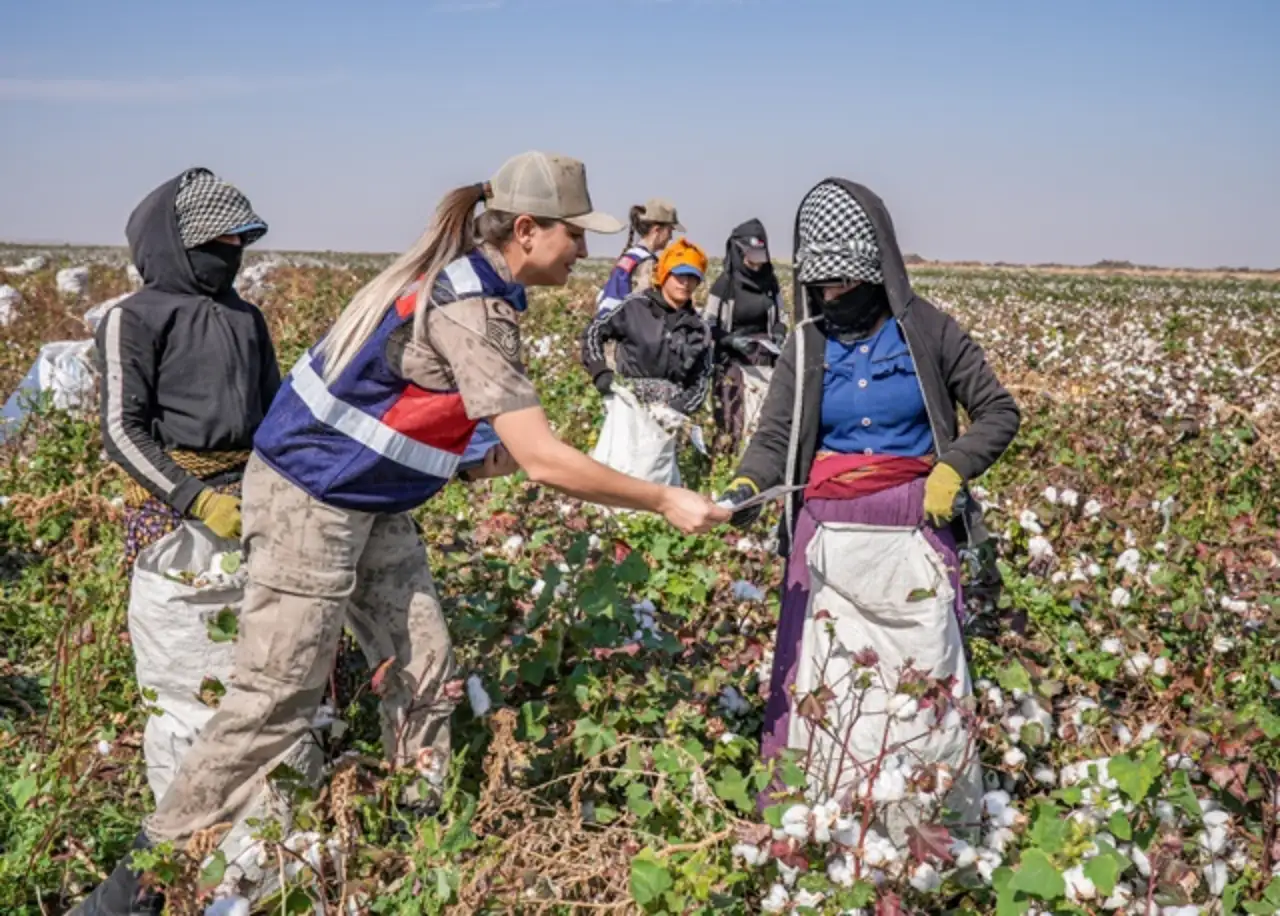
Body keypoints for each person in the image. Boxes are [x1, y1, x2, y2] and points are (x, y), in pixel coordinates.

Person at [71, 152, 729, 916]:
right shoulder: (470, 305)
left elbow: (449, 436)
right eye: (573, 234)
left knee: (426, 663)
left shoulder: (475, 288)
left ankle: (414, 841)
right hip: (308, 502)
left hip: (369, 497)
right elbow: (543, 460)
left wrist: (505, 462)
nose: (584, 251)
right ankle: (137, 889)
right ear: (526, 230)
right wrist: (664, 499)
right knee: (275, 695)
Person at [718, 179, 1020, 774]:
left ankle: (919, 815)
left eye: (845, 283)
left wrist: (953, 468)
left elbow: (998, 411)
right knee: (830, 683)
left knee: (917, 680)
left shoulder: (930, 332)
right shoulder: (806, 345)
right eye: (821, 284)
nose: (832, 294)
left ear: (877, 271)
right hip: (827, 546)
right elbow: (775, 438)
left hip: (914, 538)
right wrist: (746, 488)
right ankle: (827, 819)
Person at [96, 167, 276, 567]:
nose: (235, 247)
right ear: (181, 244)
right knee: (179, 623)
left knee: (257, 622)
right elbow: (122, 431)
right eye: (223, 237)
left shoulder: (247, 318)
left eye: (240, 237)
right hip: (170, 503)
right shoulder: (133, 319)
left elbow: (275, 417)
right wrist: (199, 500)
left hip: (248, 500)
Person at [581, 239, 715, 485]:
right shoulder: (635, 308)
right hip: (628, 406)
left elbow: (701, 381)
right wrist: (600, 371)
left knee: (658, 476)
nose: (685, 283)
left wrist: (677, 408)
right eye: (679, 275)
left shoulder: (699, 330)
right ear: (664, 274)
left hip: (669, 417)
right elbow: (594, 331)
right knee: (620, 472)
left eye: (693, 278)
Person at [701, 218, 786, 452]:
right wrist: (729, 340)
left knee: (762, 421)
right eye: (752, 259)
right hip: (733, 362)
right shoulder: (725, 285)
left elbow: (781, 316)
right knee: (734, 421)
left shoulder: (770, 283)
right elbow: (707, 325)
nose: (757, 266)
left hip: (764, 361)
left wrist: (779, 333)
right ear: (738, 252)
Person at [593, 197, 683, 314]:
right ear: (657, 230)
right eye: (669, 231)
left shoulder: (630, 256)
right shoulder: (647, 262)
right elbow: (644, 302)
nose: (671, 237)